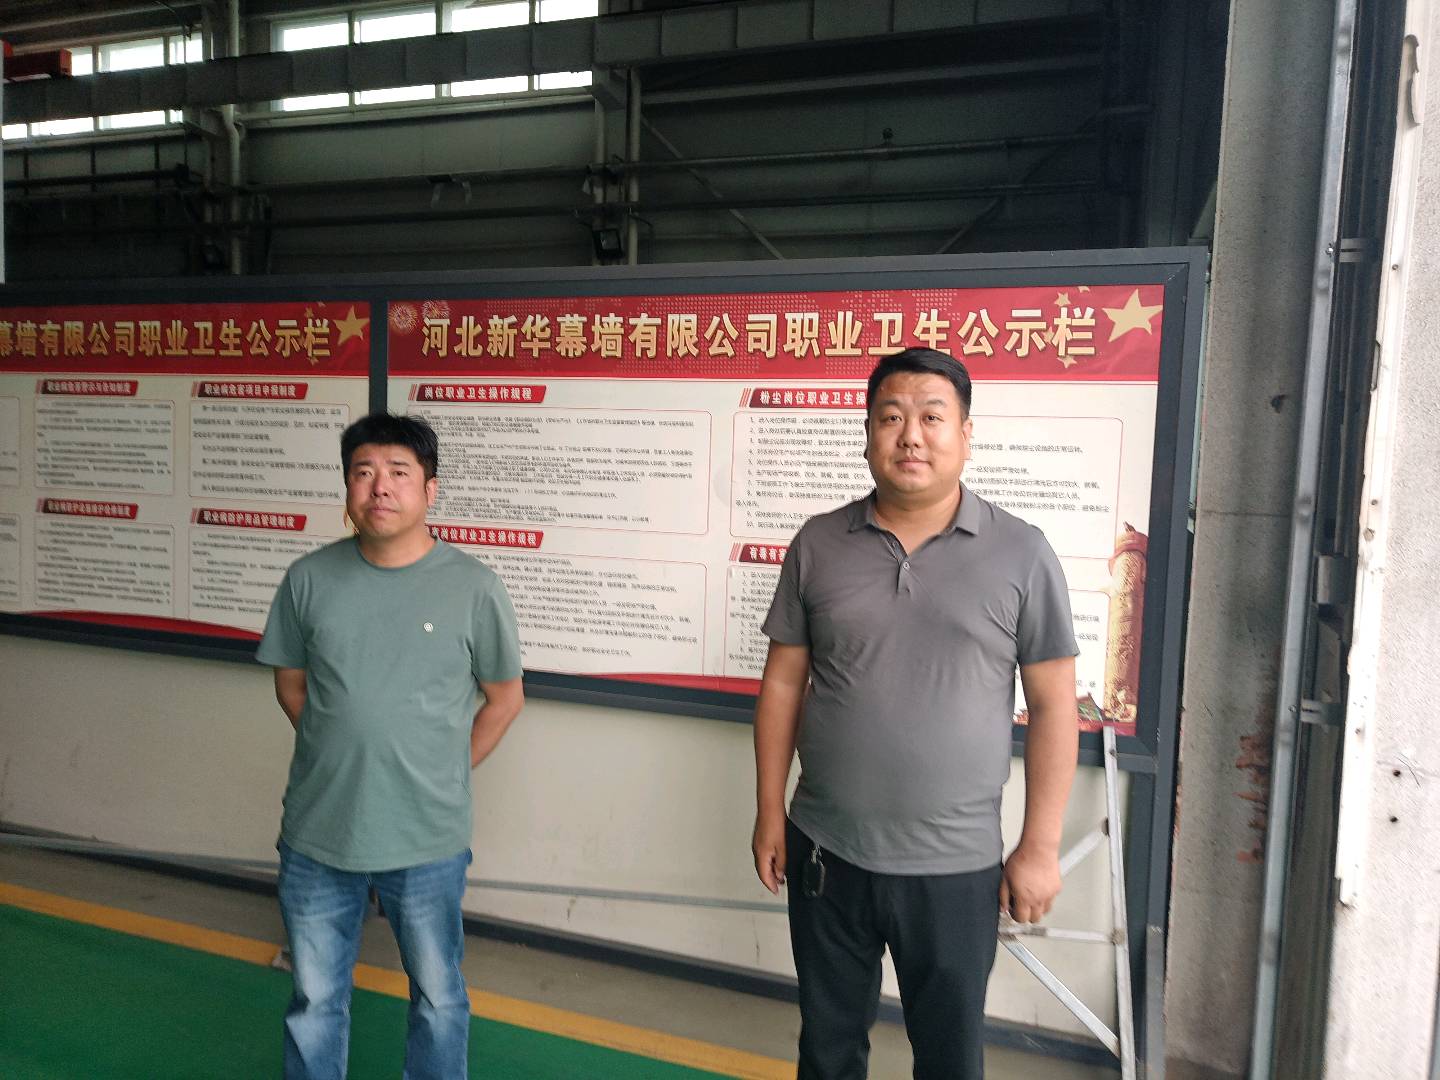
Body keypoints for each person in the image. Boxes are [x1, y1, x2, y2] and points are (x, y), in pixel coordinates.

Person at [750, 347, 1080, 1079]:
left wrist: (1040, 845)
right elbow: (782, 685)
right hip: (827, 851)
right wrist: (770, 810)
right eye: (891, 417)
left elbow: (1055, 704)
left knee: (949, 1056)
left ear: (966, 434)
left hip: (955, 868)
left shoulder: (1022, 553)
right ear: (868, 433)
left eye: (932, 417)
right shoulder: (818, 543)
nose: (911, 436)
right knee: (828, 1048)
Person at [258, 412, 525, 1080]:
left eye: (399, 472)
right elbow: (292, 687)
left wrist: (443, 769)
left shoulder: (473, 586)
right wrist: (345, 750)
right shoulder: (308, 579)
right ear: (347, 487)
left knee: (438, 997)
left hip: (426, 836)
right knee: (315, 998)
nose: (380, 487)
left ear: (430, 490)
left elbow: (505, 698)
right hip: (320, 831)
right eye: (363, 472)